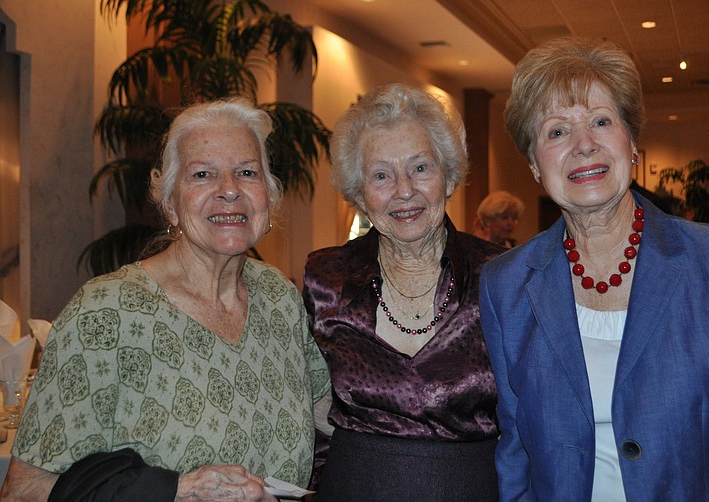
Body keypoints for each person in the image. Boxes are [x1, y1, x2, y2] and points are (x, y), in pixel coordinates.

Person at [478, 37, 709, 500]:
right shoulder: (505, 283)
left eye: (602, 121)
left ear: (632, 144)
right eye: (557, 131)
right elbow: (516, 449)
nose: (584, 145)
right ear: (534, 165)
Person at [1, 99, 331, 501]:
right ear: (170, 204)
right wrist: (179, 491)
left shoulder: (279, 297)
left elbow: (334, 414)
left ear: (268, 197)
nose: (229, 189)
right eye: (202, 174)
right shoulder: (105, 313)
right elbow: (23, 491)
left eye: (247, 172)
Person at [302, 83, 503, 501]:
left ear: (448, 177)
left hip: (472, 489)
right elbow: (302, 407)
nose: (404, 190)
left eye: (420, 168)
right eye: (381, 175)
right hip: (354, 488)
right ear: (359, 194)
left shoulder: (500, 276)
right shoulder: (325, 280)